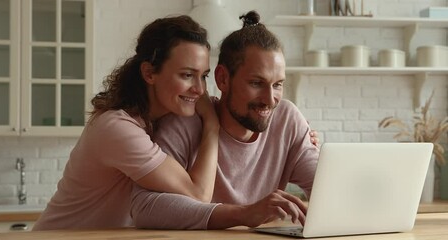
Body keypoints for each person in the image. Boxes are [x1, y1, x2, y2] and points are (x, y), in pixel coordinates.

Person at [130, 10, 319, 230]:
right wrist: (243, 214)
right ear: (222, 79)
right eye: (256, 83)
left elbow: (328, 188)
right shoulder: (185, 123)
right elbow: (143, 208)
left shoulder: (287, 119)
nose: (270, 100)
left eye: (277, 84)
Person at [33, 16, 220, 230]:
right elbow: (198, 195)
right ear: (149, 73)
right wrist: (213, 126)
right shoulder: (117, 128)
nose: (199, 89)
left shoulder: (162, 121)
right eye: (187, 75)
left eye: (203, 76)